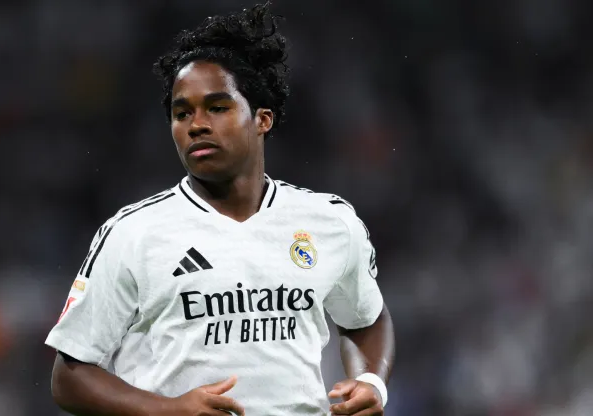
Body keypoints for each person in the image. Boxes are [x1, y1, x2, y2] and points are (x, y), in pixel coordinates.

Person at [46, 3, 395, 415]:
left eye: (217, 107)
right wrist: (167, 409)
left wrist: (370, 380)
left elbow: (367, 319)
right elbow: (69, 377)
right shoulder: (133, 233)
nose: (196, 124)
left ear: (262, 119)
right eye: (181, 113)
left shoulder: (329, 222)